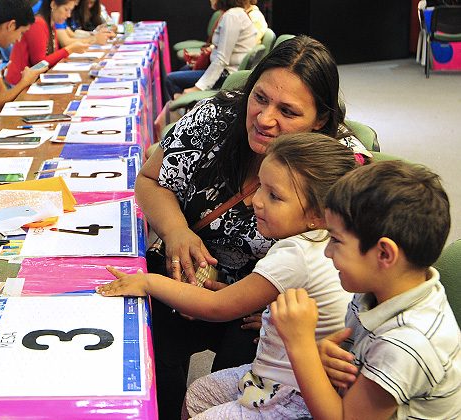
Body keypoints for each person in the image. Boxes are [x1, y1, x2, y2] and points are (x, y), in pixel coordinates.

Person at [135, 35, 363, 419]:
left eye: (288, 111)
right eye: (259, 98)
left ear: (320, 120)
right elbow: (150, 179)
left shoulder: (340, 166)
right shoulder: (215, 117)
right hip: (193, 278)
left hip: (266, 316)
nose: (265, 118)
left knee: (241, 382)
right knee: (148, 339)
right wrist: (176, 232)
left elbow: (365, 266)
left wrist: (280, 307)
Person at [99, 133, 359, 418]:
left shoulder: (296, 254)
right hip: (279, 370)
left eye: (274, 196)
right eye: (260, 186)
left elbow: (217, 306)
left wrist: (148, 281)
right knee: (197, 395)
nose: (256, 201)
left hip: (292, 392)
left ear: (318, 216)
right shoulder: (323, 240)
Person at [272, 160, 460, 419]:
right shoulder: (385, 288)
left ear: (384, 253)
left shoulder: (407, 344)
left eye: (336, 240)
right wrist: (322, 356)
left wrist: (300, 344)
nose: (327, 252)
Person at [165, 0, 257, 99]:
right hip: (225, 71)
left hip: (226, 76)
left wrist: (198, 87)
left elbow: (222, 59)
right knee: (185, 69)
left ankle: (184, 108)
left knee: (170, 79)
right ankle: (183, 107)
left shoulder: (232, 17)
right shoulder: (235, 14)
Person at [4, 0, 90, 86]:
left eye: (70, 10)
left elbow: (51, 56)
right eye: (66, 9)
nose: (68, 15)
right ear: (53, 4)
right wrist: (69, 49)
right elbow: (39, 64)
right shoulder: (38, 23)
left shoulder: (50, 24)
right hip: (19, 84)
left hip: (33, 81)